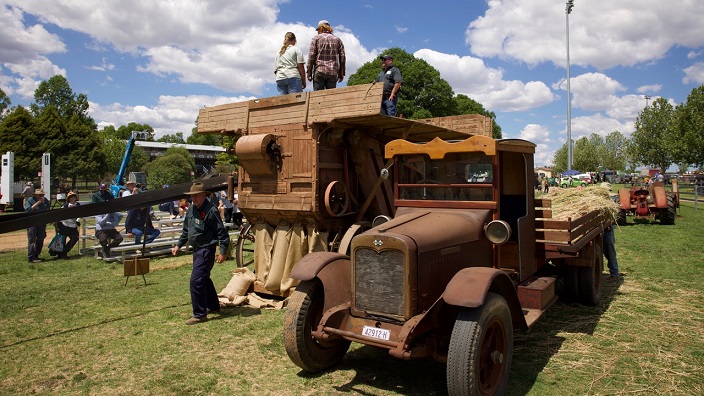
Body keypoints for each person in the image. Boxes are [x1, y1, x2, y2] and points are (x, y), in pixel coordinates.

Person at [171, 182, 230, 325]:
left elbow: (222, 233)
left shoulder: (211, 211)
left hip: (206, 250)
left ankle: (199, 314)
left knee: (196, 281)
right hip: (197, 250)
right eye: (192, 196)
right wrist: (178, 245)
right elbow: (186, 230)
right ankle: (214, 306)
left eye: (197, 196)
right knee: (203, 278)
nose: (194, 199)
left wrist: (222, 252)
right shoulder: (191, 210)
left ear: (204, 195)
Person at [307, 20, 346, 91]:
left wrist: (309, 72)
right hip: (333, 72)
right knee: (330, 97)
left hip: (320, 70)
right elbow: (342, 58)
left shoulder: (316, 38)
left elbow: (311, 56)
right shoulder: (337, 40)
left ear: (321, 28)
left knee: (318, 98)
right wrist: (341, 73)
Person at [25, 189, 50, 263]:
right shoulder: (30, 200)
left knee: (41, 238)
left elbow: (47, 211)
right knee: (32, 240)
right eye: (40, 195)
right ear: (35, 195)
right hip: (32, 223)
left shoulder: (46, 201)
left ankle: (36, 255)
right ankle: (31, 257)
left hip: (42, 222)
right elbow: (27, 211)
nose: (42, 196)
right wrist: (38, 203)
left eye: (43, 195)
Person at [55, 191, 81, 259]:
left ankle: (65, 251)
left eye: (74, 196)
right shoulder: (64, 206)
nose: (73, 198)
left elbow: (81, 214)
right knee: (62, 240)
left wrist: (78, 220)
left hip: (73, 225)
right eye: (71, 197)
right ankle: (60, 254)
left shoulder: (78, 205)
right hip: (64, 224)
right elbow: (58, 215)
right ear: (68, 199)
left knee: (75, 238)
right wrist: (57, 225)